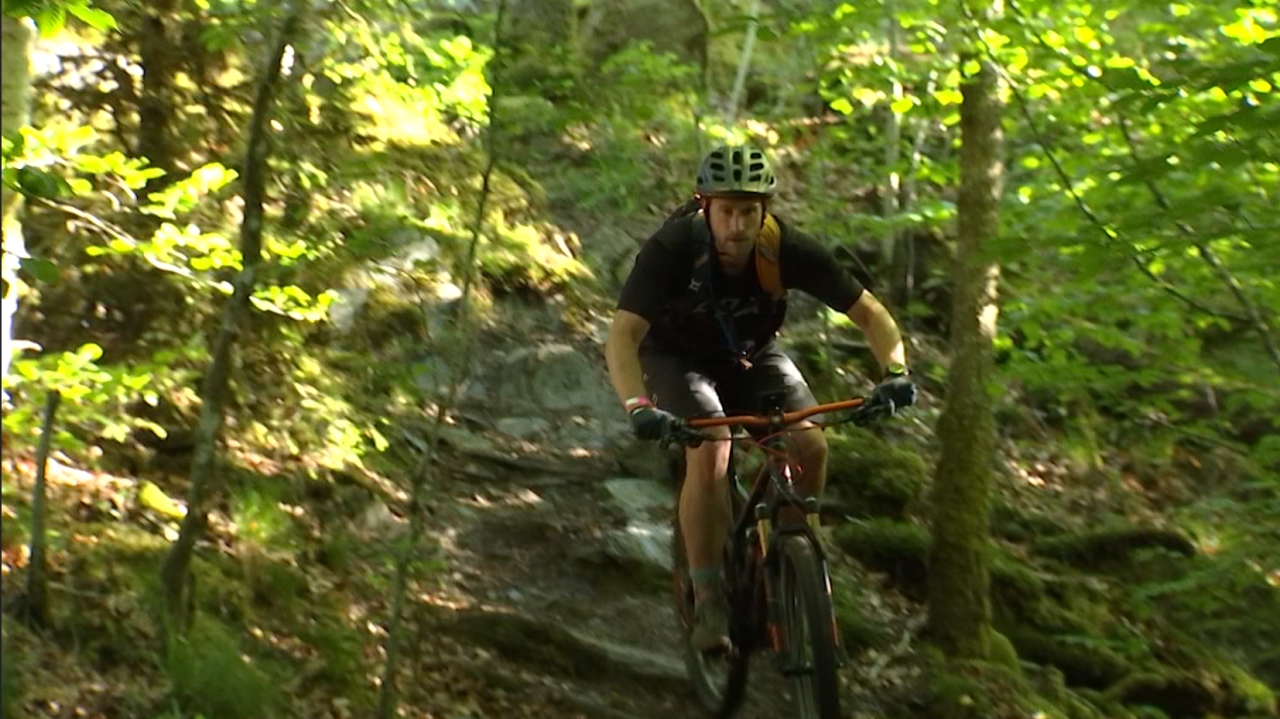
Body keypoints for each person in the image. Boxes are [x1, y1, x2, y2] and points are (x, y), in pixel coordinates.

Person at [604, 144, 917, 652]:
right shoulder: (672, 248)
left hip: (750, 355)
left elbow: (870, 315)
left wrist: (896, 373)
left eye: (749, 211)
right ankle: (709, 599)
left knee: (811, 447)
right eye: (726, 211)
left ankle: (790, 563)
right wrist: (637, 405)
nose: (737, 225)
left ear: (764, 211)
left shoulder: (785, 248)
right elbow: (623, 336)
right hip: (674, 359)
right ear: (704, 207)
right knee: (712, 447)